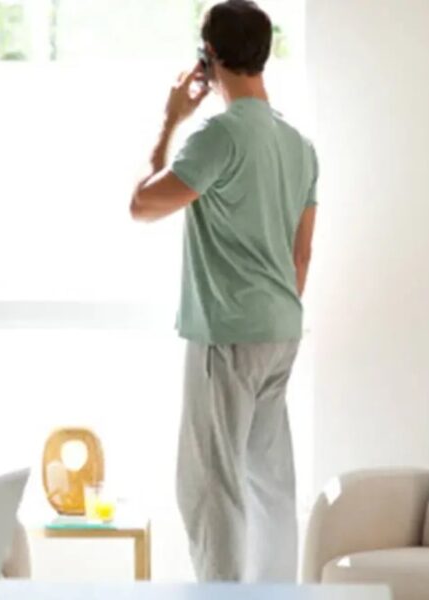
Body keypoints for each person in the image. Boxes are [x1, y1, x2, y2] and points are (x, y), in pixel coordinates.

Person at [129, 0, 318, 583]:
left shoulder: (217, 136)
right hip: (281, 330)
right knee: (267, 483)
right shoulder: (299, 145)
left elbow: (142, 205)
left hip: (229, 333)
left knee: (212, 486)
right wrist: (272, 311)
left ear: (209, 57)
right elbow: (301, 255)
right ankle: (276, 593)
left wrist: (170, 121)